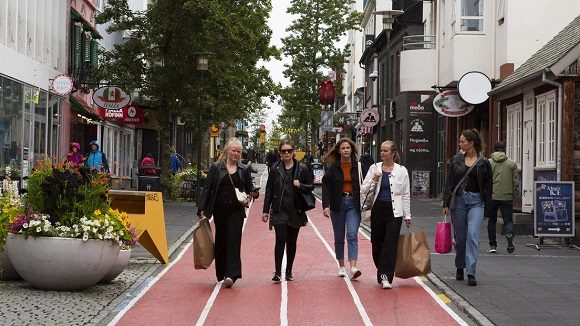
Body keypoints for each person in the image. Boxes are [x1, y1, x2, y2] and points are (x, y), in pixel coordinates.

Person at [197, 138, 259, 288]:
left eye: (238, 151)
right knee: (221, 241)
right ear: (227, 151)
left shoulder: (243, 169)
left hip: (236, 211)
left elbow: (249, 188)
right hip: (219, 210)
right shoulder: (216, 167)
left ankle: (232, 274)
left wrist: (253, 193)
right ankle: (222, 272)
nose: (236, 154)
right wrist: (201, 208)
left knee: (234, 241)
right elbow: (208, 188)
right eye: (233, 150)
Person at [442, 129, 492, 287]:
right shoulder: (456, 160)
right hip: (459, 201)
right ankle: (459, 265)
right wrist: (446, 202)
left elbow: (488, 186)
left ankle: (471, 272)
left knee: (473, 235)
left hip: (477, 202)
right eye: (459, 141)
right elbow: (449, 182)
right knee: (461, 238)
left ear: (471, 143)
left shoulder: (484, 162)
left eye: (462, 141)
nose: (460, 144)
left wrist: (489, 208)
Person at [360, 140, 412, 289]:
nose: (382, 153)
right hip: (377, 210)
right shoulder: (374, 168)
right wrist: (374, 180)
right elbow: (364, 189)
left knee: (390, 243)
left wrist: (407, 216)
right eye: (381, 151)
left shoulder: (402, 171)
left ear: (393, 153)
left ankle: (386, 276)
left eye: (385, 151)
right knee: (377, 243)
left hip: (394, 212)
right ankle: (381, 269)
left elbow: (405, 194)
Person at [262, 140, 314, 283]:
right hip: (279, 210)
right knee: (280, 239)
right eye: (283, 151)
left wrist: (300, 185)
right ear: (280, 152)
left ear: (293, 151)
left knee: (291, 241)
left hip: (295, 210)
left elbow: (310, 187)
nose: (286, 153)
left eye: (289, 150)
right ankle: (278, 272)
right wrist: (265, 210)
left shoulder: (302, 168)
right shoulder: (275, 168)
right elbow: (269, 190)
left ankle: (289, 270)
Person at [321, 138, 363, 279]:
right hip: (337, 205)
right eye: (343, 148)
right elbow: (326, 186)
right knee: (339, 237)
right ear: (339, 151)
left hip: (354, 204)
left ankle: (353, 267)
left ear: (352, 149)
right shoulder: (333, 168)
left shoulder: (359, 166)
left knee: (352, 234)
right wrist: (325, 205)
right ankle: (341, 266)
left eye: (348, 148)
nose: (346, 150)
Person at [488, 141, 518, 254]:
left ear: (493, 149)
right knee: (508, 220)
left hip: (492, 196)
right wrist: (512, 192)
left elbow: (485, 180)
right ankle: (509, 233)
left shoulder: (489, 163)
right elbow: (515, 181)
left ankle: (492, 245)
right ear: (504, 149)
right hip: (507, 196)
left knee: (492, 220)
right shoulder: (511, 164)